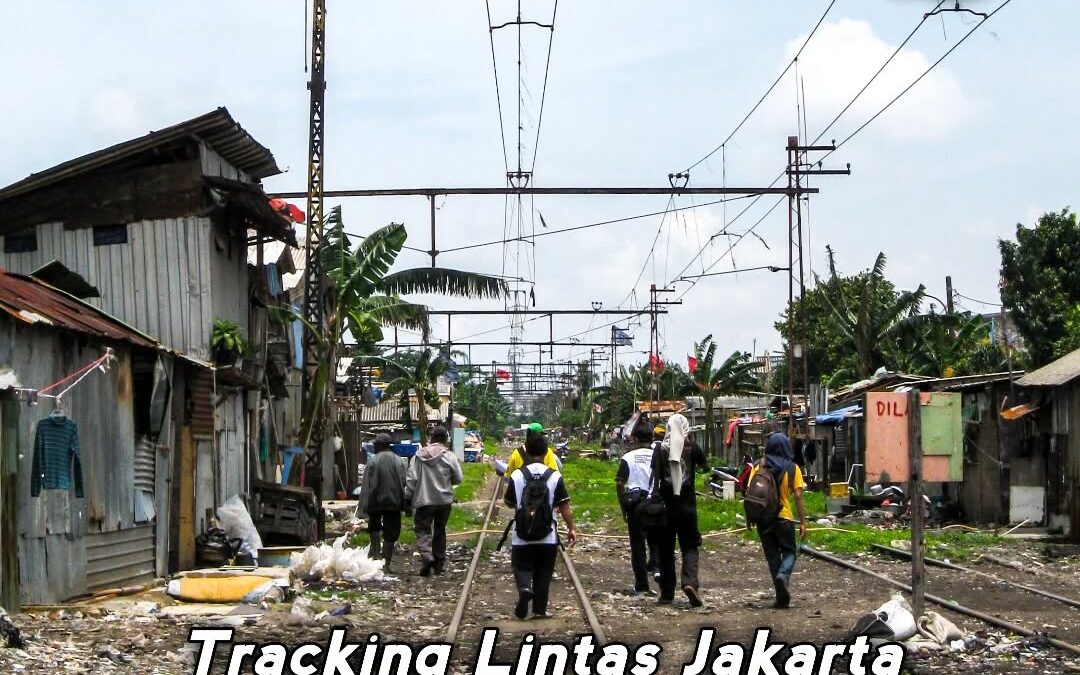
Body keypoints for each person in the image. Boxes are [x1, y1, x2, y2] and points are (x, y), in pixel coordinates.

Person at [504, 433, 578, 619]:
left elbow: (509, 501)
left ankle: (524, 589)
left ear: (526, 451)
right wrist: (571, 528)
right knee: (544, 572)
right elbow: (564, 505)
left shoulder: (517, 475)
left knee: (521, 566)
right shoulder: (554, 476)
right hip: (547, 534)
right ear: (546, 452)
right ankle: (539, 610)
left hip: (521, 534)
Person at [648, 413, 707, 607]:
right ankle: (690, 583)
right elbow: (704, 465)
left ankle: (666, 593)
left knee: (665, 550)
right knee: (690, 546)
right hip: (688, 508)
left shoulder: (660, 450)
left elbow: (654, 476)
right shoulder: (691, 448)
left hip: (665, 509)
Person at [748, 432, 808, 609]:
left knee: (772, 556)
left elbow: (750, 494)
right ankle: (783, 575)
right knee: (790, 552)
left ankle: (781, 596)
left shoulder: (759, 465)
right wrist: (803, 522)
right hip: (784, 518)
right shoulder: (792, 468)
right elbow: (797, 496)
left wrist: (750, 517)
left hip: (763, 519)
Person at [406, 426, 463, 576]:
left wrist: (407, 497)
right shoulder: (449, 456)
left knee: (422, 530)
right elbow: (458, 478)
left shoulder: (418, 456)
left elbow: (411, 479)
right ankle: (438, 564)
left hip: (424, 500)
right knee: (440, 531)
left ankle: (427, 556)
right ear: (445, 440)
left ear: (431, 438)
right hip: (444, 501)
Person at [615, 426, 660, 595]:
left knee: (638, 547)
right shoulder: (659, 455)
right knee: (656, 539)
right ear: (652, 438)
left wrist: (623, 507)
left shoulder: (628, 457)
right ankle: (657, 569)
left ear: (634, 439)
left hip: (635, 505)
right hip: (655, 503)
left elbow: (620, 482)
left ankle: (642, 584)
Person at [359, 433, 407, 571]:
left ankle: (375, 556)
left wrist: (363, 506)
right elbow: (404, 481)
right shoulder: (399, 461)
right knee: (391, 532)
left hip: (376, 502)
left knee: (374, 527)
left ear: (380, 445)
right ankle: (386, 563)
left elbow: (367, 485)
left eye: (375, 444)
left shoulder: (373, 461)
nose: (374, 446)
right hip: (394, 502)